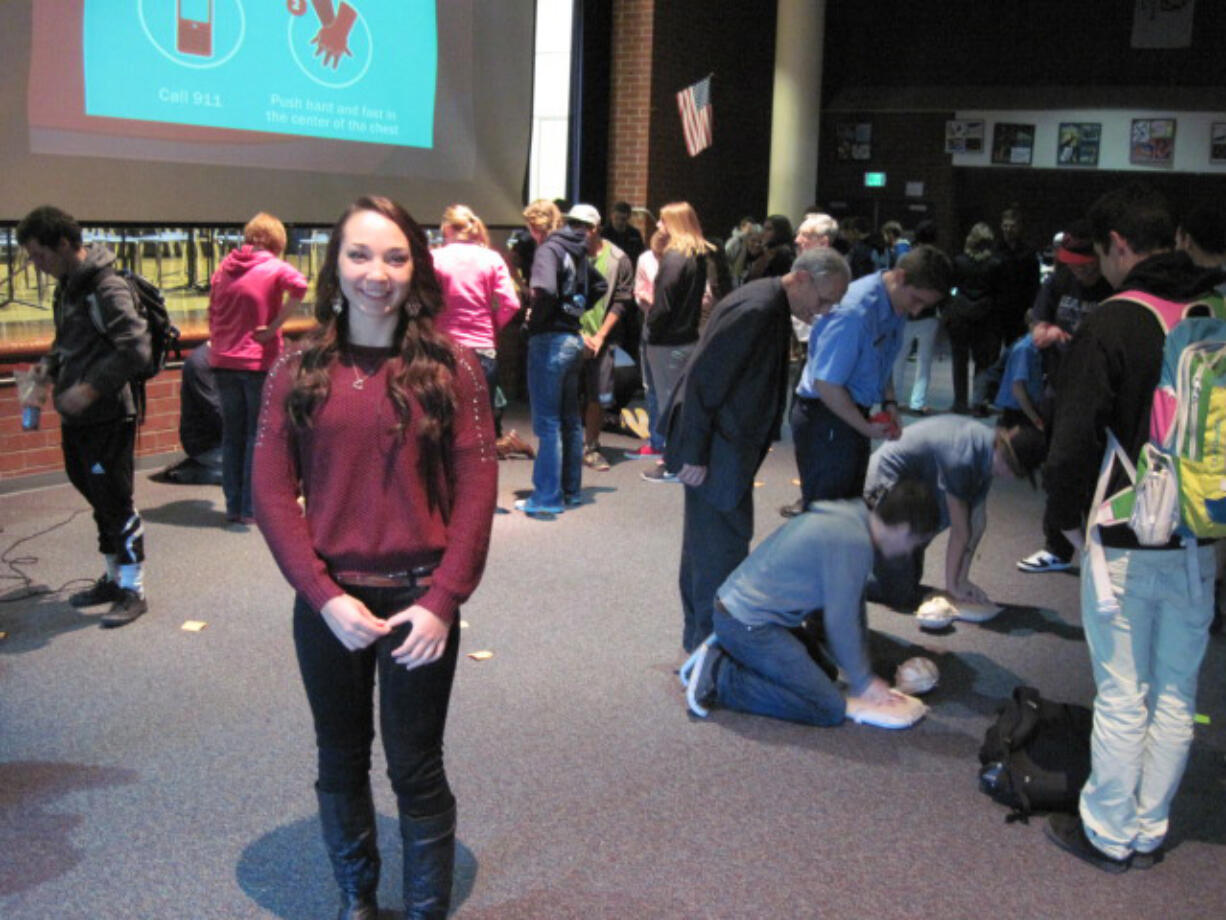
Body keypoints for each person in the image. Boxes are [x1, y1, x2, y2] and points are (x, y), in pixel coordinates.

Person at [252, 195, 497, 918]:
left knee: (417, 768)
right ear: (335, 266)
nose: (376, 273)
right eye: (360, 255)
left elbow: (478, 491)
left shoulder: (454, 369)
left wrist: (444, 600)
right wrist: (323, 596)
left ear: (416, 268)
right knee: (340, 759)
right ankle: (356, 899)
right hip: (329, 604)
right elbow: (268, 495)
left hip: (421, 605)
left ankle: (424, 909)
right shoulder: (296, 372)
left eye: (395, 256)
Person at [1041, 184, 1225, 873]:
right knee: (1177, 690)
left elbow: (1072, 446)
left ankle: (1109, 830)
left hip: (1124, 528)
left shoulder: (1115, 321)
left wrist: (1060, 529)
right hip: (1200, 533)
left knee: (1124, 691)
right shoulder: (1215, 313)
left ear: (1120, 246)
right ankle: (1150, 828)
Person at [662, 247, 850, 652]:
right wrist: (694, 453)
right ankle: (711, 651)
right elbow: (704, 381)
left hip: (723, 446)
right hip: (716, 451)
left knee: (706, 547)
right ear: (801, 279)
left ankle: (701, 643)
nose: (824, 310)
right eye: (824, 300)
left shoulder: (768, 302)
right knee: (719, 551)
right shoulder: (760, 308)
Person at [682, 480, 940, 727]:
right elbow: (842, 621)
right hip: (748, 624)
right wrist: (864, 681)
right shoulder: (853, 545)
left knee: (826, 672)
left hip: (749, 612)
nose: (909, 552)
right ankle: (720, 678)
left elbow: (850, 609)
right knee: (827, 707)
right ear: (903, 529)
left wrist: (863, 675)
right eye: (913, 544)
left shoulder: (853, 516)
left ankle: (739, 657)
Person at [16, 205, 152, 628]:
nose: (37, 267)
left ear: (62, 244)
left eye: (39, 255)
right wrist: (39, 383)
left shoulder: (106, 287)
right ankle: (112, 579)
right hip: (78, 419)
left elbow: (136, 348)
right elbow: (65, 346)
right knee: (97, 498)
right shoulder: (69, 287)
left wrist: (90, 390)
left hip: (109, 416)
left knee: (116, 501)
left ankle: (134, 589)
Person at [788, 245, 952, 514]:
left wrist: (889, 403)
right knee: (824, 516)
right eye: (916, 300)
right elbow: (826, 385)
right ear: (899, 276)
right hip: (824, 417)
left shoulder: (894, 304)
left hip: (849, 415)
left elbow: (881, 359)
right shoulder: (855, 312)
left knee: (849, 509)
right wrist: (864, 428)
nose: (915, 311)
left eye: (925, 306)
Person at [863, 418, 1046, 610]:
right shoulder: (962, 457)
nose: (1010, 478)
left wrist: (962, 579)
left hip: (915, 491)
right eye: (1014, 471)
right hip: (885, 487)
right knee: (900, 593)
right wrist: (952, 587)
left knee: (910, 577)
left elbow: (977, 521)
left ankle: (874, 566)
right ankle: (844, 578)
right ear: (1004, 453)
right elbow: (961, 531)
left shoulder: (987, 450)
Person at [1017, 222, 1113, 574]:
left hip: (1102, 392)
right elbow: (1038, 326)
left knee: (1099, 470)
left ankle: (1102, 545)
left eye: (1088, 265)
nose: (1083, 272)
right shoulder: (1058, 281)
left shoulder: (1113, 286)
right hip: (1061, 386)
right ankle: (1058, 546)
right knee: (1058, 468)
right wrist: (1048, 331)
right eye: (1075, 265)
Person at [208, 211, 308, 524]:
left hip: (223, 361)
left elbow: (213, 311)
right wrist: (275, 326)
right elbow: (301, 286)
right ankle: (251, 509)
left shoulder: (224, 267)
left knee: (232, 436)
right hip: (257, 361)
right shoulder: (274, 267)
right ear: (276, 241)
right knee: (255, 435)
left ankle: (233, 506)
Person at [514, 204, 608, 516]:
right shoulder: (577, 248)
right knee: (569, 420)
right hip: (572, 340)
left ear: (534, 227)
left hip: (550, 341)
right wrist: (575, 311)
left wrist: (533, 320)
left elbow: (545, 291)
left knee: (548, 423)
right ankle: (571, 491)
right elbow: (600, 285)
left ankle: (546, 497)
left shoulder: (547, 250)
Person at [430, 203, 524, 450]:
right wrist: (492, 327)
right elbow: (511, 303)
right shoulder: (492, 258)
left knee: (441, 425)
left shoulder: (435, 258)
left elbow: (423, 301)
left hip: (444, 349)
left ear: (447, 228)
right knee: (479, 428)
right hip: (482, 350)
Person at [640, 201, 721, 482]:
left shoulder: (675, 257)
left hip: (666, 343)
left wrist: (651, 329)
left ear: (675, 223)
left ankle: (673, 462)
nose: (658, 226)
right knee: (680, 403)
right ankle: (682, 459)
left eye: (663, 221)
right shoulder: (697, 256)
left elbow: (663, 304)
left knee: (668, 406)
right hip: (686, 338)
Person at [947, 222, 1004, 416]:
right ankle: (979, 403)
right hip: (985, 316)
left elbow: (952, 286)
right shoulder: (996, 264)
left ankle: (960, 403)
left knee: (959, 360)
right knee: (982, 362)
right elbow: (999, 292)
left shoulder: (959, 261)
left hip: (960, 314)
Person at [149, 342, 224, 486]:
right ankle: (188, 472)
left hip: (227, 438)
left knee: (265, 468)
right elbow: (216, 412)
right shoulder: (200, 363)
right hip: (208, 444)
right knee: (249, 475)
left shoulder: (231, 357)